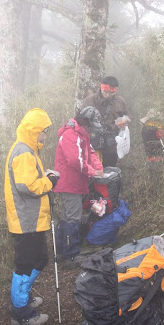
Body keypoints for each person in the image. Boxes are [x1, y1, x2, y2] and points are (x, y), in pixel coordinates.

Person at [4, 108, 60, 325]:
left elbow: (28, 180)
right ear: (34, 131)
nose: (45, 135)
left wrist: (44, 177)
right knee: (26, 265)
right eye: (43, 131)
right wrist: (49, 182)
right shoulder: (24, 152)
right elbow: (27, 186)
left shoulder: (27, 149)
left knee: (39, 259)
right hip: (25, 220)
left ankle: (22, 299)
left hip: (30, 219)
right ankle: (21, 313)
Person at [53, 106, 104, 267]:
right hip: (69, 183)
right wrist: (92, 172)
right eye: (90, 125)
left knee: (68, 217)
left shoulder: (82, 135)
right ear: (84, 121)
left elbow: (91, 153)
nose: (91, 129)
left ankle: (62, 251)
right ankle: (72, 255)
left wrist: (98, 168)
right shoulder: (71, 135)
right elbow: (75, 160)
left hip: (75, 182)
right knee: (72, 219)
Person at [82, 76, 130, 167]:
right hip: (93, 141)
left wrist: (125, 120)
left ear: (115, 91)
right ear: (101, 87)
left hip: (111, 143)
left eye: (111, 93)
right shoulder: (89, 100)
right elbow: (81, 120)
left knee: (110, 168)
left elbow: (126, 116)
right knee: (93, 169)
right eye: (105, 92)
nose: (107, 95)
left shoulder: (120, 101)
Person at [140, 108, 164, 180]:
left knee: (154, 180)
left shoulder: (144, 128)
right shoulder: (156, 129)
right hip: (158, 159)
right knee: (160, 179)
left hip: (149, 158)